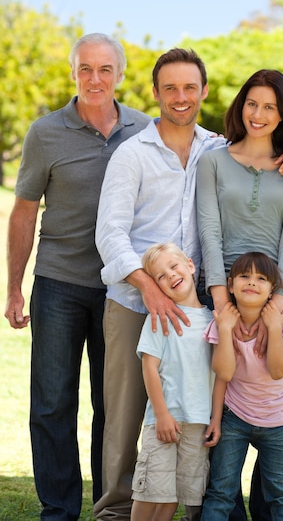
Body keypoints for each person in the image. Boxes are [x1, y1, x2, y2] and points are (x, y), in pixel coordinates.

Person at [94, 50, 283, 520]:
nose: (180, 97)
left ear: (205, 92)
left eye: (190, 88)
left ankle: (196, 510)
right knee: (130, 416)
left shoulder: (215, 148)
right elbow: (109, 232)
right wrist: (146, 285)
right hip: (137, 302)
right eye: (170, 88)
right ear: (155, 93)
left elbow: (263, 147)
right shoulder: (132, 154)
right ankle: (115, 511)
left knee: (200, 410)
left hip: (199, 307)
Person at [4, 33, 150, 520]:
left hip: (121, 291)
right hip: (59, 284)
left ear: (120, 76)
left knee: (113, 408)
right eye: (85, 68)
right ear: (73, 73)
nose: (95, 79)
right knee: (51, 406)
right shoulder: (45, 133)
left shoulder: (144, 130)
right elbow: (24, 214)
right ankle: (59, 511)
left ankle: (111, 509)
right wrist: (14, 289)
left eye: (105, 69)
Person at [196, 69, 283, 519]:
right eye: (252, 103)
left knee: (273, 425)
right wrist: (221, 299)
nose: (259, 114)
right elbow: (209, 230)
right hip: (220, 300)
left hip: (277, 304)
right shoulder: (214, 161)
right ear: (240, 106)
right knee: (222, 419)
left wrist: (276, 308)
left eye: (270, 106)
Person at [201, 251, 283, 521]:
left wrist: (274, 328)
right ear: (230, 285)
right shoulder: (223, 324)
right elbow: (224, 373)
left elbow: (280, 371)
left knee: (281, 494)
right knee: (220, 492)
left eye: (261, 278)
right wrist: (217, 420)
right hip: (235, 419)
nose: (252, 282)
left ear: (271, 291)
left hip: (277, 423)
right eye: (244, 276)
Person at [131, 242, 221, 521]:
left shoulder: (213, 321)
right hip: (164, 421)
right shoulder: (161, 319)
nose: (170, 275)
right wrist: (161, 415)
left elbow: (220, 375)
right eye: (160, 276)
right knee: (152, 493)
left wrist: (215, 419)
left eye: (174, 266)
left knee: (173, 497)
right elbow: (149, 367)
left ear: (191, 266)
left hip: (197, 424)